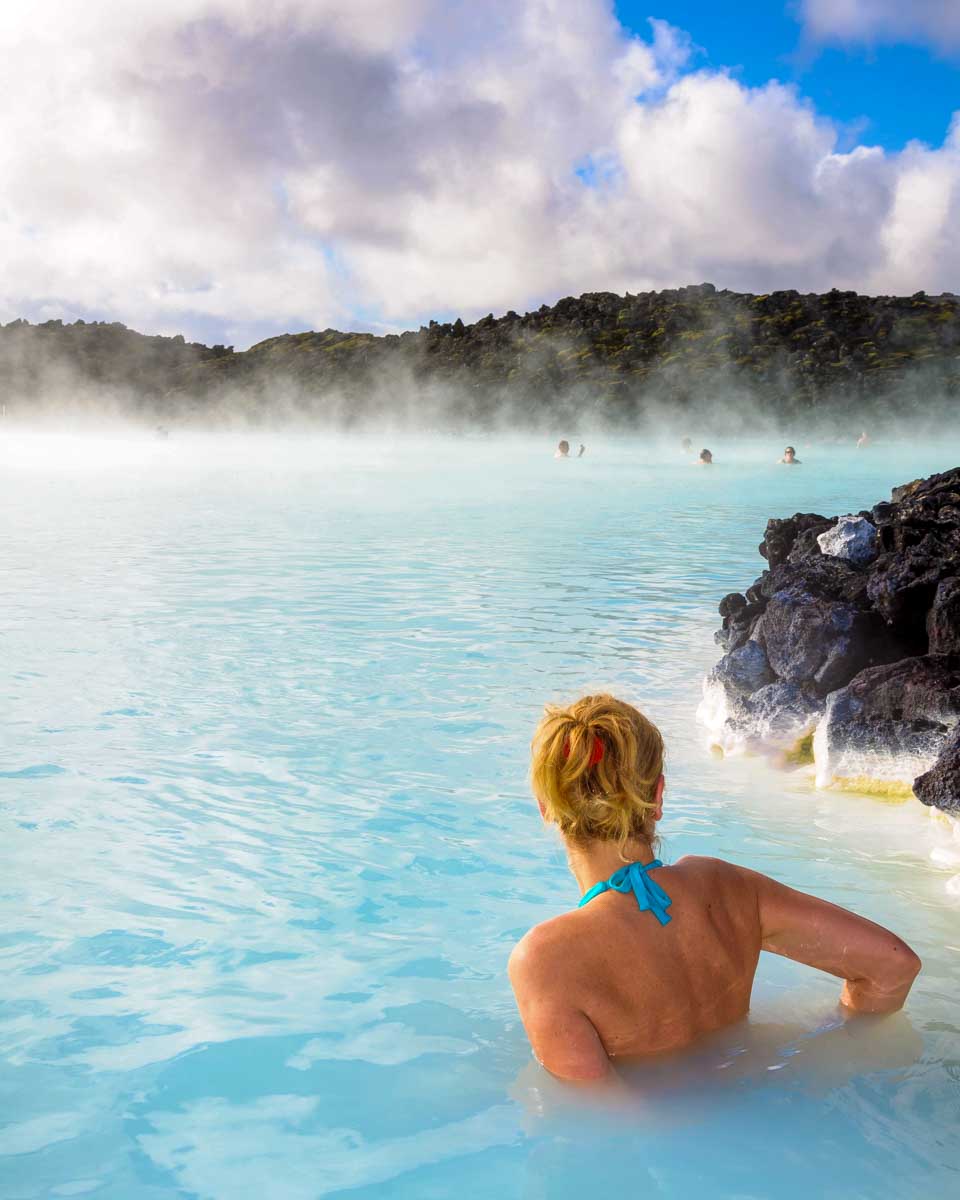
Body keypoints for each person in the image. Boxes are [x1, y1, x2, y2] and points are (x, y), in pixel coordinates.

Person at [509, 694, 921, 1083]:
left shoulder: (546, 959)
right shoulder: (725, 887)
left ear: (545, 808)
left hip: (682, 1145)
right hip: (765, 1102)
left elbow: (602, 1122)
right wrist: (838, 1049)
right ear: (657, 796)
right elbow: (893, 964)